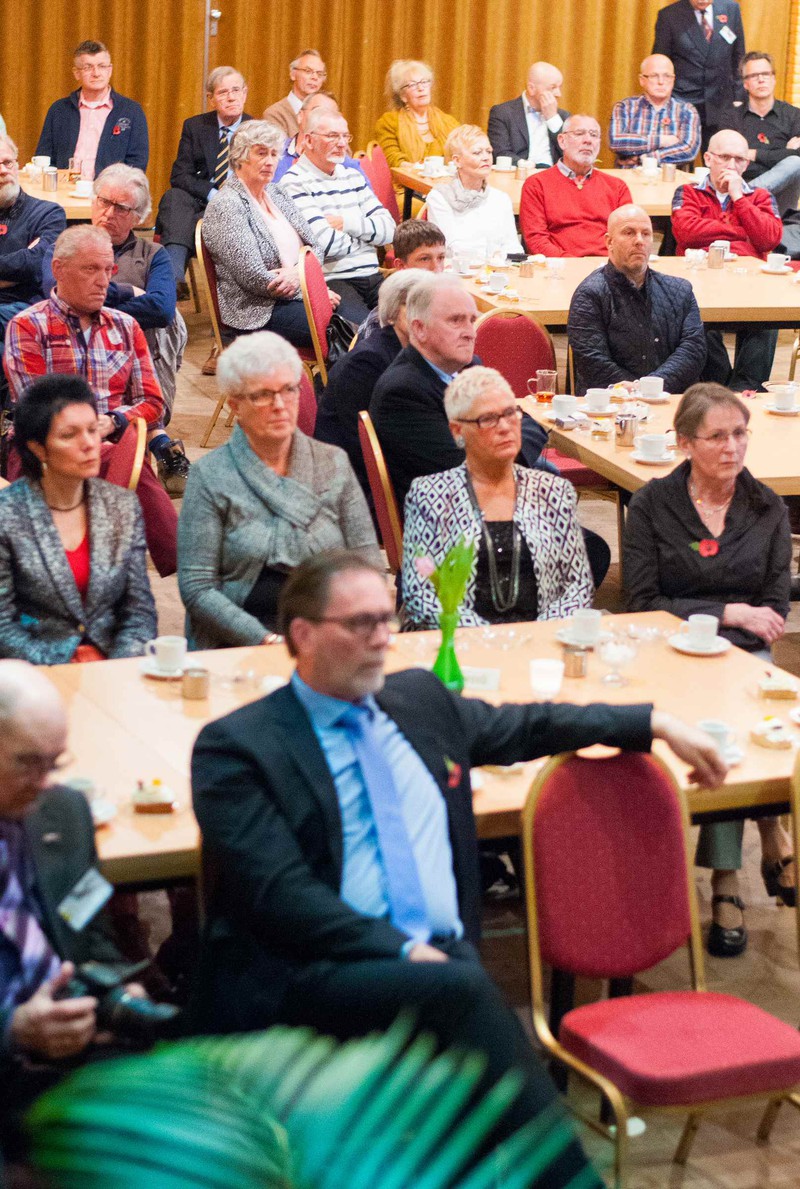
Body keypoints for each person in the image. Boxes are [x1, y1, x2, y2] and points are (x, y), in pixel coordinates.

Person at [191, 547, 726, 1179]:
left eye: (387, 619)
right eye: (361, 624)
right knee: (465, 998)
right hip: (317, 970)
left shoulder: (417, 700)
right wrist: (401, 951)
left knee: (465, 1025)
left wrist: (653, 721)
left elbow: (527, 726)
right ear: (303, 635)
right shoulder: (239, 748)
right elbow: (281, 896)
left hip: (440, 960)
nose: (383, 638)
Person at [623, 383, 792, 957]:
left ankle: (731, 872)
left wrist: (739, 626)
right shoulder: (652, 505)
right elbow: (642, 602)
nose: (732, 447)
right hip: (667, 650)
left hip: (742, 654)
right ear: (684, 443)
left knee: (744, 717)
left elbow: (775, 607)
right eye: (717, 436)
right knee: (724, 720)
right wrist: (728, 613)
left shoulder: (767, 507)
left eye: (740, 433)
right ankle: (749, 855)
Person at [0, 660, 169, 1162]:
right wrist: (13, 1029)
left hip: (79, 1047)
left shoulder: (65, 812)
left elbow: (89, 929)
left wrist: (117, 983)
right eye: (28, 763)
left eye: (55, 762)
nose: (45, 782)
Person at [178, 332, 380, 649]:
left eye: (289, 390)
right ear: (235, 405)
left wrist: (351, 627)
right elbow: (197, 587)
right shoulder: (210, 476)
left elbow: (368, 562)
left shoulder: (333, 463)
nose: (279, 405)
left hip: (331, 634)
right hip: (242, 641)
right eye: (262, 395)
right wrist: (266, 640)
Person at [3, 225, 177, 577]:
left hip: (111, 442)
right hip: (41, 450)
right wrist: (88, 432)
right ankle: (187, 568)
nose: (103, 282)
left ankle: (186, 572)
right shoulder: (27, 326)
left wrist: (113, 420)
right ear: (58, 270)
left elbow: (152, 402)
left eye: (109, 270)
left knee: (122, 460)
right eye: (90, 269)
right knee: (120, 465)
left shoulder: (126, 326)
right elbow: (37, 407)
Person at [402, 367, 593, 627]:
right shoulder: (430, 495)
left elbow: (578, 586)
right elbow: (420, 594)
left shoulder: (555, 492)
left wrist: (537, 635)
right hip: (458, 640)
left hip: (540, 641)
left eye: (510, 413)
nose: (505, 427)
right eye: (488, 419)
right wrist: (492, 638)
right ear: (457, 431)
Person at [0, 375, 156, 664]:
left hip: (113, 666)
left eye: (93, 430)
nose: (89, 444)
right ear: (37, 448)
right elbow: (3, 627)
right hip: (35, 672)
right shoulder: (8, 516)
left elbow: (139, 610)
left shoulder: (121, 505)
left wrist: (117, 664)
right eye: (69, 435)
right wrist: (68, 664)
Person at [83, 165, 188, 495]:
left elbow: (161, 309)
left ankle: (147, 446)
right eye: (104, 202)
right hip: (79, 349)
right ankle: (162, 445)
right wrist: (127, 291)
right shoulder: (73, 244)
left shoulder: (153, 254)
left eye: (121, 208)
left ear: (139, 216)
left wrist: (95, 306)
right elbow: (57, 293)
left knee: (142, 342)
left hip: (134, 354)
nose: (109, 213)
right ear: (93, 201)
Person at [201, 121, 332, 350]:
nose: (270, 161)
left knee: (362, 323)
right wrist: (312, 292)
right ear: (240, 157)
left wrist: (300, 279)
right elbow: (254, 277)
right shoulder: (226, 205)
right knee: (337, 331)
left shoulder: (277, 192)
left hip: (293, 297)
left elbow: (315, 249)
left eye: (273, 154)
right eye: (261, 153)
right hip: (257, 311)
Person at [672, 128, 782, 390]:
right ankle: (722, 389)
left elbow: (769, 239)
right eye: (725, 157)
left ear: (746, 164)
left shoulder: (760, 196)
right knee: (693, 319)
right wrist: (742, 231)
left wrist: (738, 198)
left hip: (749, 281)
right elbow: (686, 232)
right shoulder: (687, 192)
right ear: (708, 158)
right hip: (699, 280)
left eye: (739, 159)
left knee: (769, 317)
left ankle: (743, 389)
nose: (732, 165)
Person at [568, 205, 706, 395]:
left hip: (668, 400)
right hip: (612, 403)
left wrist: (648, 388)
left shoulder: (681, 291)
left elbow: (693, 350)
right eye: (629, 233)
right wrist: (635, 391)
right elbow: (592, 361)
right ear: (609, 242)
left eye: (646, 234)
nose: (639, 241)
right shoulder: (589, 295)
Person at [280, 110, 395, 325]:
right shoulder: (293, 182)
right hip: (334, 280)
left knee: (412, 323)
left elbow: (389, 230)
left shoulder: (352, 176)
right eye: (332, 136)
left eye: (345, 136)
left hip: (373, 274)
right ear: (309, 140)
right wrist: (367, 239)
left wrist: (346, 223)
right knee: (366, 332)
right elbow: (327, 244)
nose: (342, 144)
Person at [315, 269, 424, 493]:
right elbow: (363, 447)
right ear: (393, 314)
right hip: (353, 486)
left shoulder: (421, 352)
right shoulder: (366, 364)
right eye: (415, 305)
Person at [155, 66, 253, 299]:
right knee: (174, 198)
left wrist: (226, 197)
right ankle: (175, 278)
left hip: (237, 205)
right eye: (223, 92)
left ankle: (169, 280)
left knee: (181, 222)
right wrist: (211, 194)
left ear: (245, 93)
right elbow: (180, 175)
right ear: (211, 99)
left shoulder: (256, 130)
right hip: (200, 200)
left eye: (236, 91)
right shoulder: (196, 126)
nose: (231, 97)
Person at [519, 116, 633, 256]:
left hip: (606, 264)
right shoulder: (536, 185)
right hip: (558, 265)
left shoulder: (617, 187)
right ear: (562, 141)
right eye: (579, 134)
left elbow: (628, 235)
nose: (588, 140)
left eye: (594, 135)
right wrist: (572, 264)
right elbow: (536, 240)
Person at [35, 40, 148, 174]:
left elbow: (137, 164)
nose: (96, 73)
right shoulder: (59, 110)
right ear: (77, 73)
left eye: (102, 66)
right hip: (63, 184)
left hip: (110, 186)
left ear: (110, 70)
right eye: (88, 67)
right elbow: (44, 158)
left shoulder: (131, 111)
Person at [0, 134, 66, 362]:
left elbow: (37, 264)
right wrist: (18, 265)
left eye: (7, 163)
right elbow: (25, 263)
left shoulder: (48, 213)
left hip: (24, 308)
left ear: (17, 166)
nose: (3, 171)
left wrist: (26, 264)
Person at [653, 0, 745, 149]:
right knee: (678, 157)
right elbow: (660, 62)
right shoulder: (669, 15)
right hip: (683, 101)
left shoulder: (731, 9)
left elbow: (739, 57)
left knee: (719, 155)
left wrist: (739, 97)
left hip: (721, 102)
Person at [426, 125, 521, 258]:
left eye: (489, 151)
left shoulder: (501, 199)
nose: (486, 157)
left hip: (499, 268)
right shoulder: (440, 198)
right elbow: (448, 248)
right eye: (477, 153)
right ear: (457, 160)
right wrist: (493, 255)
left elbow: (513, 246)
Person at [727, 52, 800, 215]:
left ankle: (747, 195)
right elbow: (728, 155)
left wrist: (754, 154)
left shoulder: (794, 115)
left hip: (781, 197)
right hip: (743, 182)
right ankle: (745, 196)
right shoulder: (732, 117)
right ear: (745, 84)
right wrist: (783, 153)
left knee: (795, 162)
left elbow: (797, 158)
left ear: (773, 78)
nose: (761, 79)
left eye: (766, 74)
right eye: (754, 76)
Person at [356, 219, 446, 342]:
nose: (436, 268)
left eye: (441, 258)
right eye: (425, 259)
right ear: (401, 266)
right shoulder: (383, 324)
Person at [609, 53, 701, 168]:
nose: (661, 82)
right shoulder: (625, 107)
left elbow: (689, 150)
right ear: (642, 80)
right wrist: (661, 141)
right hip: (629, 177)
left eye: (667, 76)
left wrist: (645, 158)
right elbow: (616, 141)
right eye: (654, 76)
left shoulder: (687, 111)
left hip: (671, 178)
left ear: (673, 80)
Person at [374, 59, 459, 171]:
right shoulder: (389, 122)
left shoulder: (448, 122)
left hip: (446, 179)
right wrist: (420, 171)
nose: (421, 88)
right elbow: (393, 160)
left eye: (424, 82)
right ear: (402, 96)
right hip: (408, 179)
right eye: (412, 85)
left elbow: (462, 155)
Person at [487, 61, 569, 167]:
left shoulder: (563, 117)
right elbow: (501, 154)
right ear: (531, 88)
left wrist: (552, 119)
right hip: (519, 173)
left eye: (559, 87)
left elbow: (571, 154)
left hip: (553, 175)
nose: (559, 94)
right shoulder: (503, 113)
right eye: (553, 88)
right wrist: (530, 166)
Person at [273, 92, 364, 183]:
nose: (323, 119)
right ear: (300, 116)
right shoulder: (275, 152)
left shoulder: (347, 165)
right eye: (317, 111)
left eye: (330, 114)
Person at [263, 49, 328, 139]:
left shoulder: (327, 113)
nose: (315, 77)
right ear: (293, 74)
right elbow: (279, 147)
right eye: (308, 71)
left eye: (320, 74)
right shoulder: (275, 114)